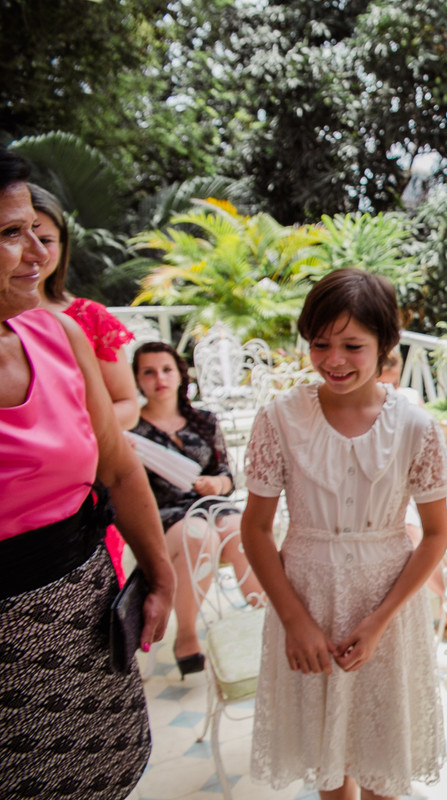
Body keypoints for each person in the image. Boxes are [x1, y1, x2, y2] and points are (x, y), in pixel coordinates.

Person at [0, 149, 175, 798]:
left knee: (103, 777)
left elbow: (120, 469)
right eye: (9, 234)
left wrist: (160, 573)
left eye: (37, 232)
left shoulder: (58, 337)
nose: (36, 253)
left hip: (84, 613)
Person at [241, 268, 447, 800]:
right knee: (330, 772)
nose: (334, 359)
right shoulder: (280, 419)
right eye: (320, 344)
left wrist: (380, 622)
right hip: (305, 602)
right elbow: (257, 528)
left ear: (385, 346)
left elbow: (434, 534)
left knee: (382, 766)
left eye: (353, 345)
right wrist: (294, 620)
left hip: (386, 607)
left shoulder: (414, 426)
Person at [130, 340, 264, 676]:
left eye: (166, 369)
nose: (159, 378)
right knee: (198, 537)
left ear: (180, 374)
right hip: (163, 513)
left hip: (211, 502)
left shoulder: (203, 420)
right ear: (137, 379)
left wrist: (217, 485)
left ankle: (264, 620)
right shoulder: (131, 430)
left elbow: (226, 475)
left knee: (240, 532)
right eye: (149, 372)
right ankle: (187, 633)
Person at [31, 183, 140, 583]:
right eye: (12, 233)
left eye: (45, 238)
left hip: (87, 483)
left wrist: (72, 433)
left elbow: (128, 403)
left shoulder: (86, 317)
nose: (35, 251)